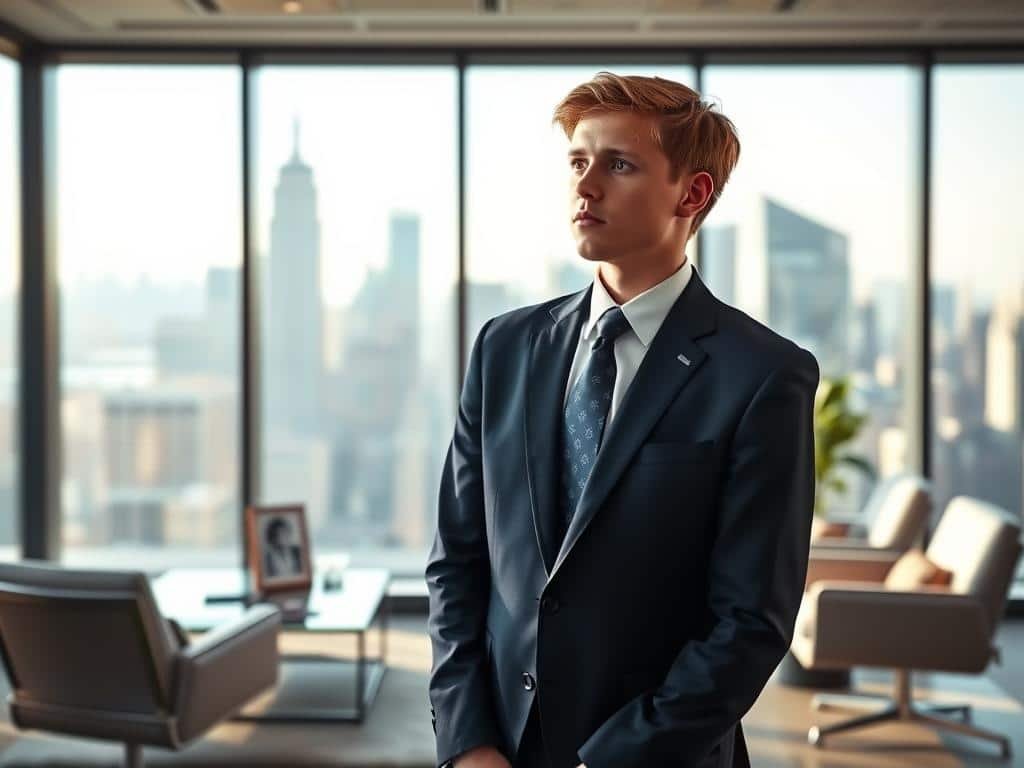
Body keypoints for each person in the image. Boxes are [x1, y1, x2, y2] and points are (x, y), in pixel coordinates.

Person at [426, 72, 819, 768]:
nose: (586, 186)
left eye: (619, 164)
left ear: (691, 194)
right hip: (502, 748)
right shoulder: (503, 348)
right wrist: (468, 741)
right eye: (578, 161)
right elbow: (457, 564)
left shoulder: (762, 375)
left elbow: (750, 622)